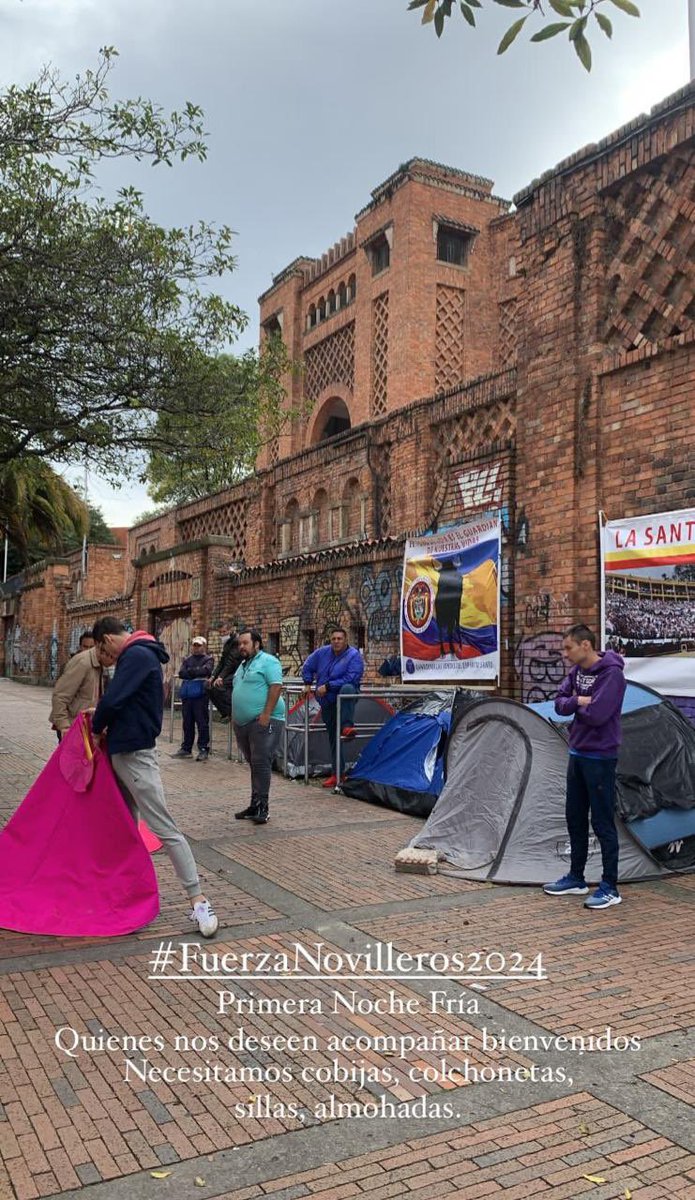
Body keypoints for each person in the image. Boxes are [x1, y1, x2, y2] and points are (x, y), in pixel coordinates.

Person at [90, 617, 218, 937]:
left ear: (108, 639)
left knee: (165, 828)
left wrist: (96, 726)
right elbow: (124, 702)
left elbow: (115, 699)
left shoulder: (136, 655)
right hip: (128, 750)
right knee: (125, 825)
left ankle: (198, 899)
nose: (107, 657)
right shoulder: (143, 653)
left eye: (104, 650)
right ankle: (124, 893)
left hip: (134, 754)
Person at [544, 624, 626, 911]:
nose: (565, 654)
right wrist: (579, 700)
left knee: (602, 821)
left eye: (569, 648)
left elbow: (598, 714)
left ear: (586, 646)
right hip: (577, 753)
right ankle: (576, 877)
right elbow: (559, 704)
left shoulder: (612, 674)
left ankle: (609, 886)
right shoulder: (576, 673)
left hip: (600, 757)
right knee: (574, 817)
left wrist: (576, 706)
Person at [232, 628, 285, 825]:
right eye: (240, 644)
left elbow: (276, 686)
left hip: (264, 720)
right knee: (254, 763)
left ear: (256, 644)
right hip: (243, 723)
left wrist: (266, 714)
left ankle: (263, 807)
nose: (241, 647)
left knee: (261, 762)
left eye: (245, 643)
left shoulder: (268, 661)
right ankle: (255, 804)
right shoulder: (243, 665)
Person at [301, 627, 364, 789]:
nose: (336, 641)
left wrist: (328, 686)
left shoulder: (353, 655)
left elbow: (352, 677)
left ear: (346, 640)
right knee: (334, 737)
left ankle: (347, 725)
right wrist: (308, 684)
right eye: (333, 639)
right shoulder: (322, 653)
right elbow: (307, 665)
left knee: (347, 688)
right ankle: (338, 773)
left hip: (345, 697)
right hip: (327, 701)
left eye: (339, 639)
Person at [49, 640, 115, 742]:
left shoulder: (101, 667)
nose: (113, 661)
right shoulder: (82, 663)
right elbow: (60, 695)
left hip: (86, 726)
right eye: (85, 646)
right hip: (74, 725)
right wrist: (64, 726)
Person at [173, 636, 214, 761]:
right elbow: (181, 673)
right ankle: (186, 748)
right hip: (187, 696)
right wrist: (195, 672)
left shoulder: (209, 659)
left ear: (204, 646)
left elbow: (206, 671)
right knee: (187, 723)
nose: (196, 648)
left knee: (202, 723)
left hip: (201, 696)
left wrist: (191, 672)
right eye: (194, 645)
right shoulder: (187, 659)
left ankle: (203, 749)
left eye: (199, 645)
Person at [208, 625, 242, 723]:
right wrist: (213, 676)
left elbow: (230, 662)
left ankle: (233, 710)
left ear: (230, 630)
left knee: (219, 686)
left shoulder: (235, 642)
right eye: (221, 633)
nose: (222, 635)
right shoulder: (227, 644)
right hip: (227, 673)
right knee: (208, 686)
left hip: (236, 673)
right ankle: (224, 713)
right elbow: (222, 662)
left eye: (224, 632)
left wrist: (220, 677)